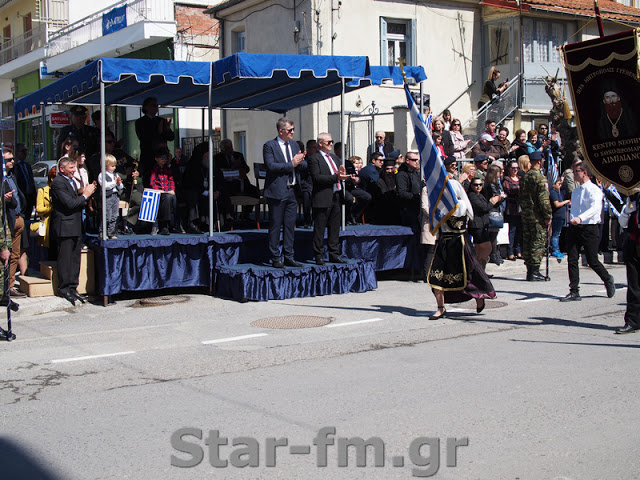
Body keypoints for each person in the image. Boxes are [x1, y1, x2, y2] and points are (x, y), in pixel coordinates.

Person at [427, 176, 496, 319]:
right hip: (443, 244)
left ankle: (478, 297)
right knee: (436, 276)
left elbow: (452, 213)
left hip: (459, 244)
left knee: (467, 276)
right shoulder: (440, 205)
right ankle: (441, 308)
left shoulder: (460, 205)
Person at [560, 161, 616, 301]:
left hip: (589, 227)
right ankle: (574, 290)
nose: (574, 174)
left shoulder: (594, 190)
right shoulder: (576, 192)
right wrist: (573, 220)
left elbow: (595, 208)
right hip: (575, 228)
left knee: (592, 260)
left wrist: (580, 218)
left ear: (584, 173)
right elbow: (574, 209)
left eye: (576, 171)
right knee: (572, 259)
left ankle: (607, 279)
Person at [51, 156, 97, 305]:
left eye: (74, 168)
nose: (73, 171)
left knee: (75, 258)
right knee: (65, 259)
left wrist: (84, 192)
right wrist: (85, 195)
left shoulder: (72, 181)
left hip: (76, 226)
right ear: (62, 169)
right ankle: (64, 288)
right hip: (65, 227)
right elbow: (69, 204)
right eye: (71, 168)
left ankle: (73, 287)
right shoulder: (58, 183)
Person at [263, 117, 306, 268]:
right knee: (276, 225)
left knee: (290, 225)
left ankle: (289, 256)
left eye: (293, 129)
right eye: (289, 130)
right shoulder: (270, 145)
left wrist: (300, 161)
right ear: (281, 131)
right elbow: (271, 166)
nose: (292, 133)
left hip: (292, 191)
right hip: (277, 191)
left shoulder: (294, 145)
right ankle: (275, 257)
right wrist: (291, 164)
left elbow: (302, 164)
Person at [308, 133, 350, 265]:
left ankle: (334, 254)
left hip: (336, 195)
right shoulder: (314, 158)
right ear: (320, 143)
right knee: (320, 228)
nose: (331, 144)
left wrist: (345, 176)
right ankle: (318, 255)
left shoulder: (334, 158)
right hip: (322, 196)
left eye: (332, 142)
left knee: (334, 228)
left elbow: (339, 174)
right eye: (328, 142)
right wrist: (336, 178)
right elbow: (316, 178)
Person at [519, 151, 552, 281]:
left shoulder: (525, 177)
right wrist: (548, 215)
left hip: (526, 214)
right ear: (540, 161)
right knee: (537, 242)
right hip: (537, 216)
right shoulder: (540, 178)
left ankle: (529, 270)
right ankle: (535, 271)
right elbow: (543, 200)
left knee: (527, 242)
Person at [2, 147, 27, 298]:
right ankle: (4, 287)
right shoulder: (2, 178)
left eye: (12, 159)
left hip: (18, 218)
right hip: (7, 221)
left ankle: (10, 285)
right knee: (7, 254)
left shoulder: (12, 176)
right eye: (8, 160)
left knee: (15, 254)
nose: (12, 162)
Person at [135, 97, 175, 185]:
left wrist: (167, 129)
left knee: (165, 181)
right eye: (153, 105)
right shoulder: (140, 122)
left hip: (163, 156)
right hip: (149, 156)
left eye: (157, 105)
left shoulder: (161, 120)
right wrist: (159, 132)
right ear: (146, 107)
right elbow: (144, 138)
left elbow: (171, 137)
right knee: (150, 182)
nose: (156, 107)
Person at [616, 193, 640, 333]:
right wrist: (627, 211)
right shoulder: (633, 199)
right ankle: (632, 321)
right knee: (633, 286)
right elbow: (622, 223)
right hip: (633, 244)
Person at [467, 177, 497, 268]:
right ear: (471, 186)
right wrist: (492, 202)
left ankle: (479, 269)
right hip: (477, 225)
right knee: (487, 247)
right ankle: (479, 269)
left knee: (479, 249)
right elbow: (483, 208)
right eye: (476, 185)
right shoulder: (472, 196)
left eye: (480, 185)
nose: (478, 187)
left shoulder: (480, 195)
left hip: (482, 224)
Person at [149, 148, 179, 235]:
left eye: (165, 158)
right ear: (156, 159)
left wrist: (172, 189)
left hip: (168, 191)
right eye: (162, 158)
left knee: (172, 198)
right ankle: (162, 225)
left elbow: (171, 180)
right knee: (165, 199)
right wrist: (159, 190)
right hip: (158, 192)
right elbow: (152, 182)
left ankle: (174, 223)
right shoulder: (154, 169)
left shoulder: (168, 169)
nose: (164, 160)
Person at [484, 164, 506, 265]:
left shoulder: (495, 184)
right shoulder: (491, 185)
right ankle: (492, 255)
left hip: (496, 210)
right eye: (498, 172)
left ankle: (495, 253)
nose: (500, 174)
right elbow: (496, 198)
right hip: (492, 211)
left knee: (495, 234)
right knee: (492, 234)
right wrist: (502, 197)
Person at [97, 155, 123, 239]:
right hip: (108, 197)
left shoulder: (115, 174)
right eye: (112, 166)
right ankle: (102, 232)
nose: (114, 168)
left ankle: (111, 232)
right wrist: (115, 183)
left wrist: (118, 184)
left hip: (115, 196)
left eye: (115, 166)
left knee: (114, 216)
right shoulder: (102, 175)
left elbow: (121, 186)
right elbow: (105, 186)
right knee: (107, 216)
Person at [396, 151, 422, 228]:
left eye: (417, 160)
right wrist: (417, 196)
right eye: (414, 160)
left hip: (417, 207)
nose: (416, 162)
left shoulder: (416, 173)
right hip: (408, 209)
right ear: (407, 160)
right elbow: (402, 193)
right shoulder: (402, 174)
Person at [503, 160, 523, 260]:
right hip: (511, 208)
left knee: (520, 230)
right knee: (512, 230)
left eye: (517, 168)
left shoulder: (520, 178)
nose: (515, 170)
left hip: (521, 208)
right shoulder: (506, 179)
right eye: (513, 168)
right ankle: (510, 251)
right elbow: (510, 189)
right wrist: (519, 189)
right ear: (509, 169)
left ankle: (518, 250)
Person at [35, 166, 57, 259]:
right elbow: (39, 209)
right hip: (49, 224)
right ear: (52, 178)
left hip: (59, 222)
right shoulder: (42, 191)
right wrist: (51, 208)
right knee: (51, 251)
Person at [13, 143, 36, 221]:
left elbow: (31, 182)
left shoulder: (27, 165)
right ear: (17, 153)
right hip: (21, 198)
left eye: (26, 151)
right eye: (22, 151)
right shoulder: (14, 166)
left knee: (28, 219)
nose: (25, 153)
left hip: (29, 198)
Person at [549, 176, 569, 259]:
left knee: (558, 233)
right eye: (558, 183)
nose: (560, 185)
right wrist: (566, 202)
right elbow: (557, 204)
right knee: (556, 234)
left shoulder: (560, 192)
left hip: (561, 216)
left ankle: (556, 248)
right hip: (556, 216)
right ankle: (555, 250)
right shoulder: (553, 192)